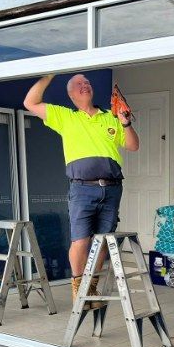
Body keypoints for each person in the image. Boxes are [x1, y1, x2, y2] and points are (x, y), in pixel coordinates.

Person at [23, 74, 139, 302]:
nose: (85, 85)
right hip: (82, 190)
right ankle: (78, 287)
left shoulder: (111, 117)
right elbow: (30, 103)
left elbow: (133, 146)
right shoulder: (65, 117)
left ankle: (91, 286)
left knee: (103, 240)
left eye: (87, 83)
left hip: (112, 188)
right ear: (71, 94)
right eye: (79, 84)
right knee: (81, 240)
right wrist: (49, 74)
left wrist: (126, 123)